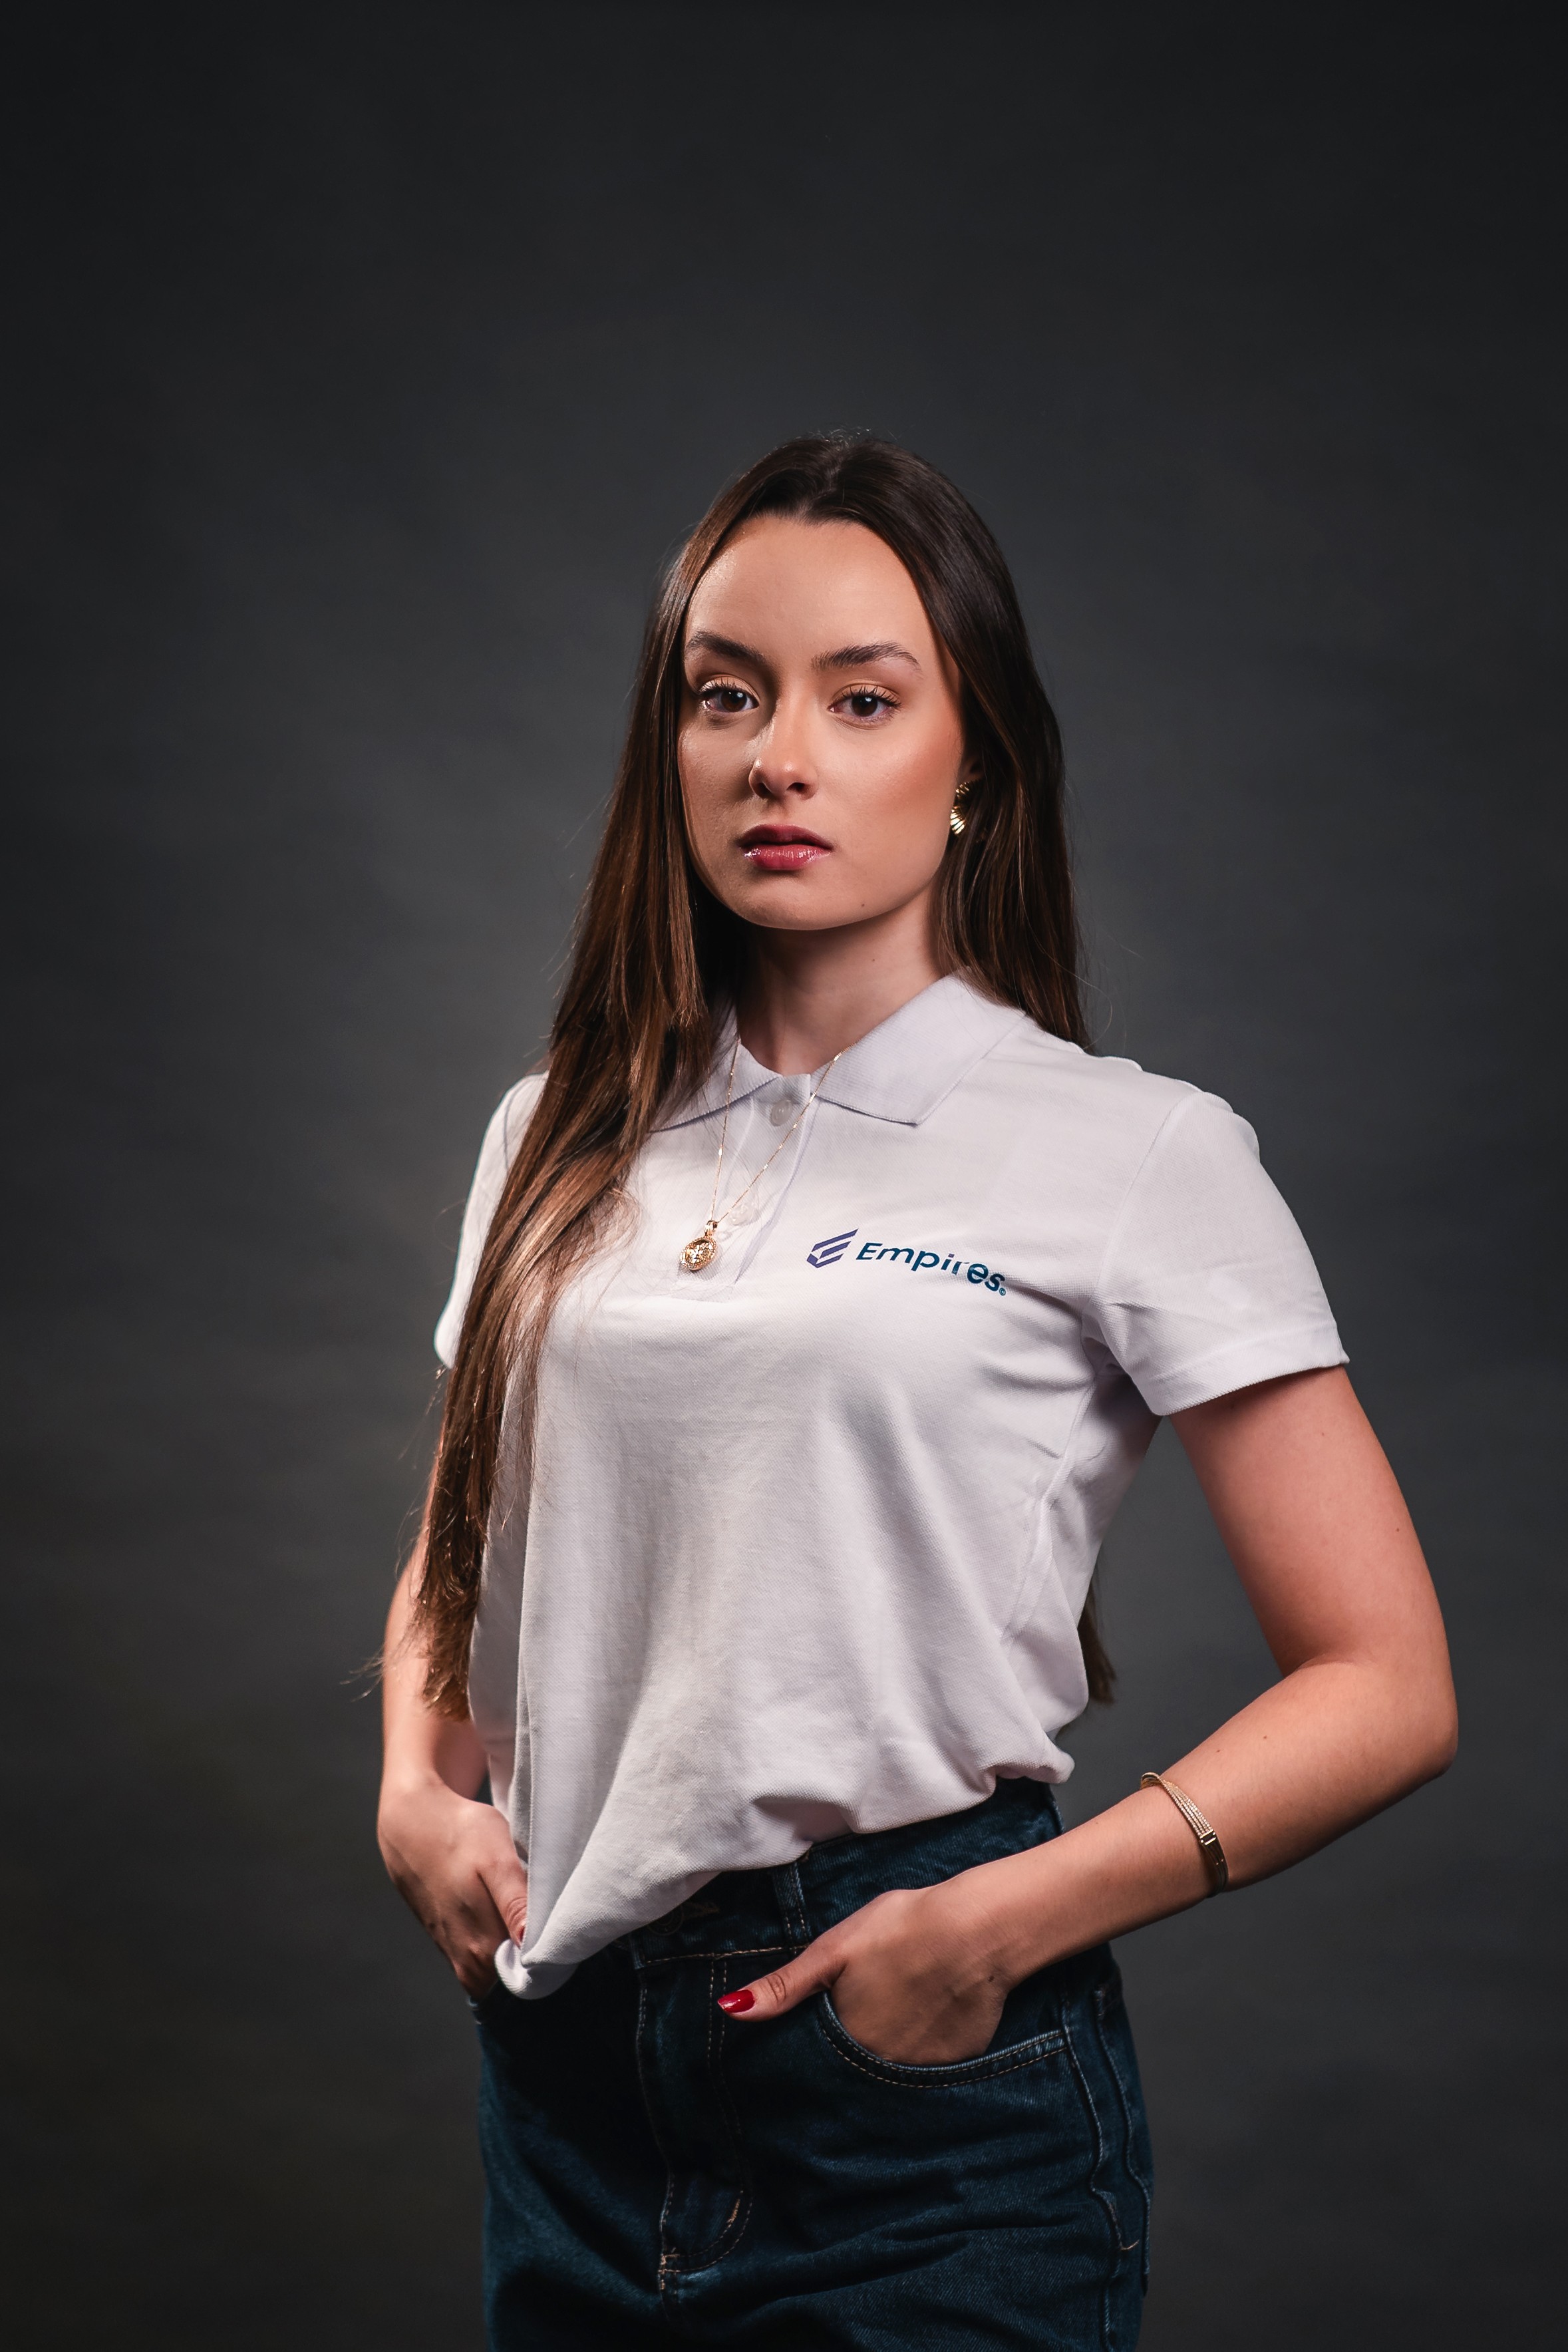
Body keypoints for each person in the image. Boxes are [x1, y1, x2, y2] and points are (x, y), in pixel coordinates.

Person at [377, 434, 1456, 2349]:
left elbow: (1386, 1684)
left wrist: (1006, 1924)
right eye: (727, 695)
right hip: (569, 2081)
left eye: (861, 699)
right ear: (672, 747)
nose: (779, 755)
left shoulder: (1134, 1151)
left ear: (976, 768)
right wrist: (411, 1783)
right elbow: (469, 1545)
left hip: (921, 2085)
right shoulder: (552, 1134)